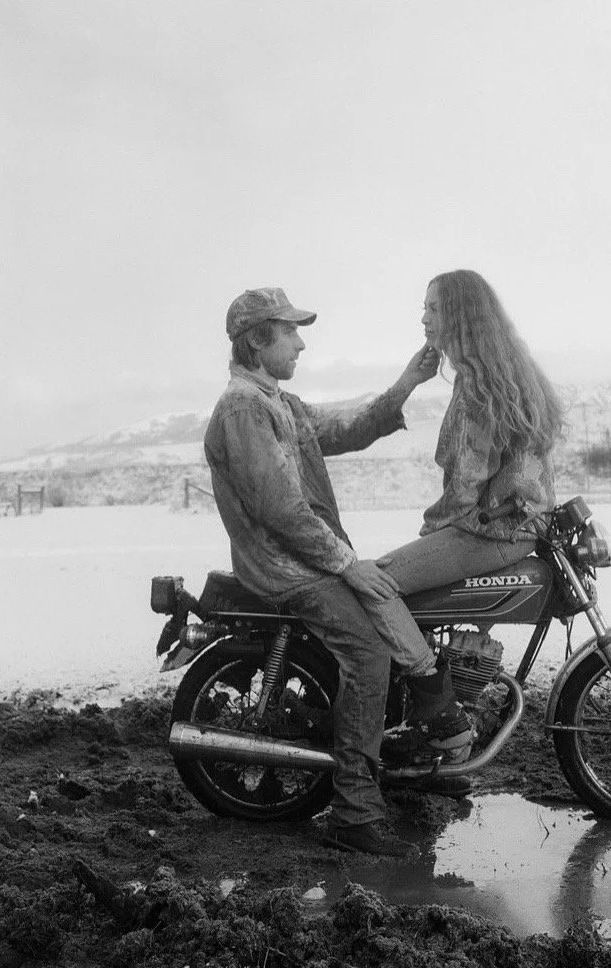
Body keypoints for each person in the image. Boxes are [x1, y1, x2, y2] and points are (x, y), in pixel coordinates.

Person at [203, 287, 471, 858]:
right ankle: (354, 813)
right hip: (286, 569)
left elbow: (347, 428)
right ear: (257, 340)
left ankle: (411, 759)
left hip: (310, 557)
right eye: (289, 332)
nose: (300, 344)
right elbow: (280, 511)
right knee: (370, 652)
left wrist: (406, 383)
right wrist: (348, 564)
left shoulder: (279, 402)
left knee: (397, 616)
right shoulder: (243, 409)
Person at [377, 269, 563, 607]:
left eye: (434, 309)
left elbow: (466, 482)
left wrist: (431, 531)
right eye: (424, 308)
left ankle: (411, 647)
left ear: (460, 316)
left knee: (377, 584)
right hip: (521, 524)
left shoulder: (478, 386)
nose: (424, 319)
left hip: (493, 531)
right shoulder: (506, 372)